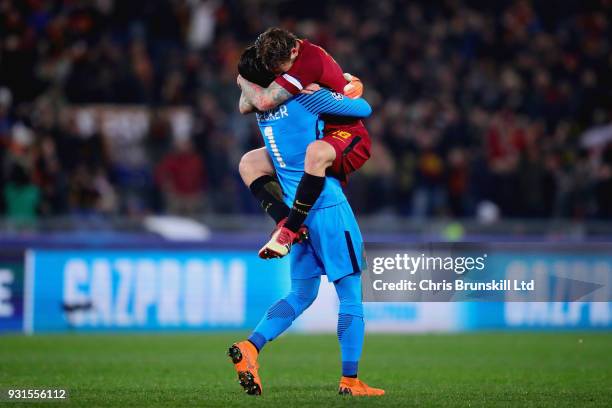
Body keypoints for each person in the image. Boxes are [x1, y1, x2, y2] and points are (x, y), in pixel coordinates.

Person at [227, 46, 384, 397]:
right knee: (350, 294)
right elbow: (362, 108)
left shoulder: (259, 110)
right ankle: (350, 380)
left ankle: (251, 347)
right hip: (326, 205)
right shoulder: (306, 99)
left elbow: (250, 100)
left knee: (301, 294)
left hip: (293, 208)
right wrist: (345, 88)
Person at [238, 27, 371, 259]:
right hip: (317, 132)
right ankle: (284, 222)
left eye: (281, 71)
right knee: (249, 163)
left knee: (315, 152)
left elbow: (264, 99)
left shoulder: (307, 67)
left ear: (292, 52)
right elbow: (246, 105)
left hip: (344, 132)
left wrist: (241, 80)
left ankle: (289, 229)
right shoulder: (286, 61)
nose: (278, 76)